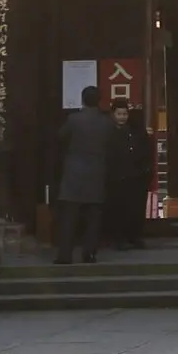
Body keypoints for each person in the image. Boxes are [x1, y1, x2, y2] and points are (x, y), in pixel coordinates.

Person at [51, 84, 114, 265]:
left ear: (82, 100)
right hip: (97, 171)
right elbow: (112, 146)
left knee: (69, 216)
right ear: (99, 101)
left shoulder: (73, 119)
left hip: (74, 172)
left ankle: (65, 255)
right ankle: (89, 254)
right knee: (93, 218)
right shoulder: (107, 122)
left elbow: (60, 138)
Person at [103, 101, 151, 250]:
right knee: (117, 209)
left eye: (124, 114)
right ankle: (118, 238)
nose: (122, 117)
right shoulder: (108, 131)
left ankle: (134, 237)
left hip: (134, 176)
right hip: (115, 177)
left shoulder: (135, 131)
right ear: (113, 114)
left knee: (135, 209)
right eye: (119, 114)